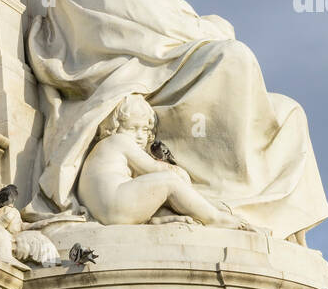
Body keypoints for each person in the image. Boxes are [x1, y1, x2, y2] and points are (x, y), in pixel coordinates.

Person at [26, 0, 328, 243]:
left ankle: (256, 215)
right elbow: (121, 35)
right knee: (234, 57)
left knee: (289, 111)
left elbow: (166, 27)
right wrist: (202, 29)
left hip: (171, 68)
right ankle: (218, 200)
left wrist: (193, 30)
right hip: (132, 77)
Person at [77, 94, 249, 229]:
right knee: (169, 180)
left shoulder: (101, 150)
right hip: (115, 203)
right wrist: (178, 173)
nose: (139, 136)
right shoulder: (120, 140)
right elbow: (154, 169)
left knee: (155, 186)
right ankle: (213, 218)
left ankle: (160, 219)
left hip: (104, 211)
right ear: (114, 127)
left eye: (144, 130)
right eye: (132, 128)